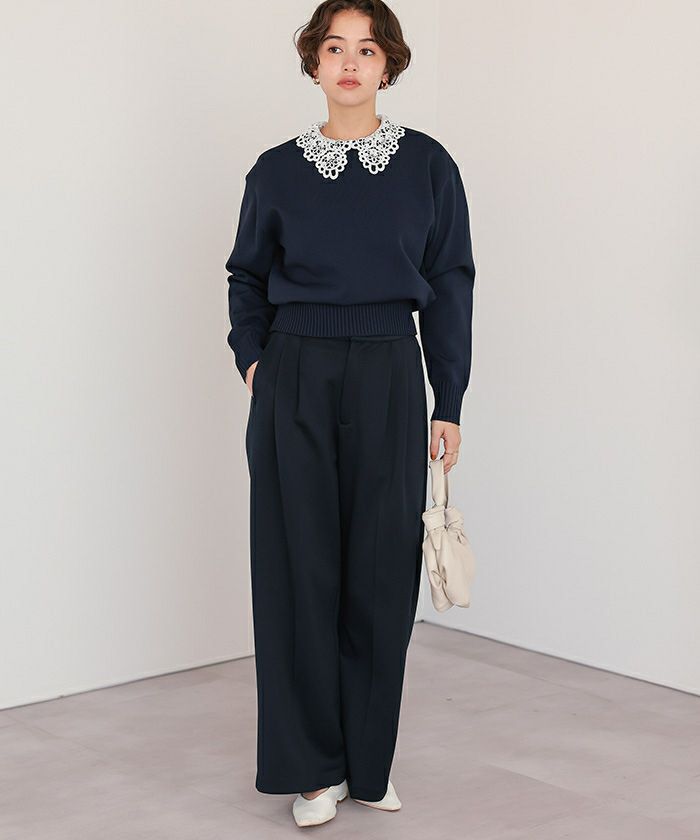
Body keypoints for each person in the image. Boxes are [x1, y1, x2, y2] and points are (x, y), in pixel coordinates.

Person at [224, 0, 476, 828]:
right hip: (294, 372)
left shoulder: (429, 166)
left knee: (379, 574)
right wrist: (256, 360)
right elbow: (246, 275)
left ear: (388, 64)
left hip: (389, 372)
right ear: (313, 62)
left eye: (367, 49)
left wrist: (449, 398)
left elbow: (451, 281)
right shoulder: (275, 172)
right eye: (334, 48)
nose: (349, 63)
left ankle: (368, 763)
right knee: (298, 572)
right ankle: (312, 769)